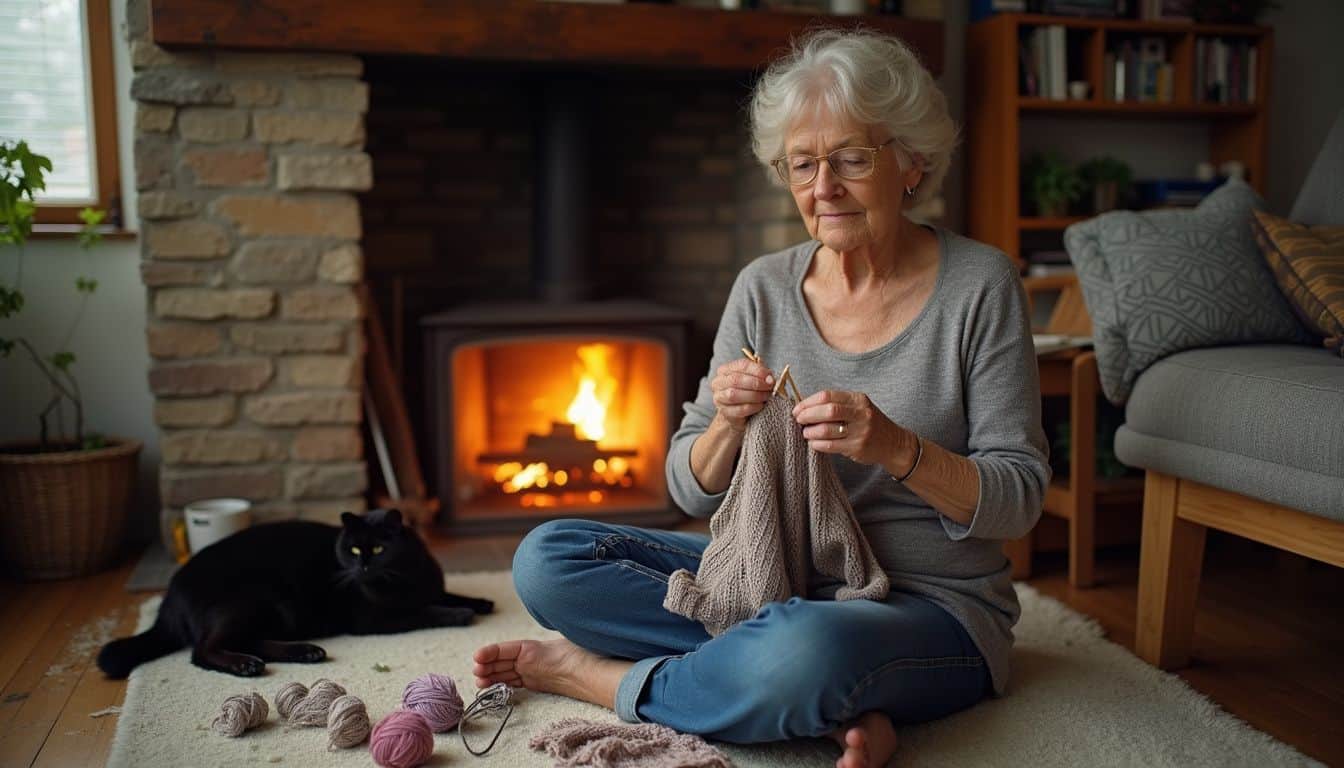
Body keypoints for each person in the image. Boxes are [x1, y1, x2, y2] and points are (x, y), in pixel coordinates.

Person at [473, 29, 1049, 768]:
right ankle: (837, 697)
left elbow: (1020, 498)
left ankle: (610, 680)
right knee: (546, 560)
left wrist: (897, 449)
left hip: (929, 604)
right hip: (765, 578)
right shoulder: (763, 286)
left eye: (850, 158)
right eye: (803, 165)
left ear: (911, 162)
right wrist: (729, 426)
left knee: (799, 653)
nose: (824, 187)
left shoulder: (981, 285)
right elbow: (685, 482)